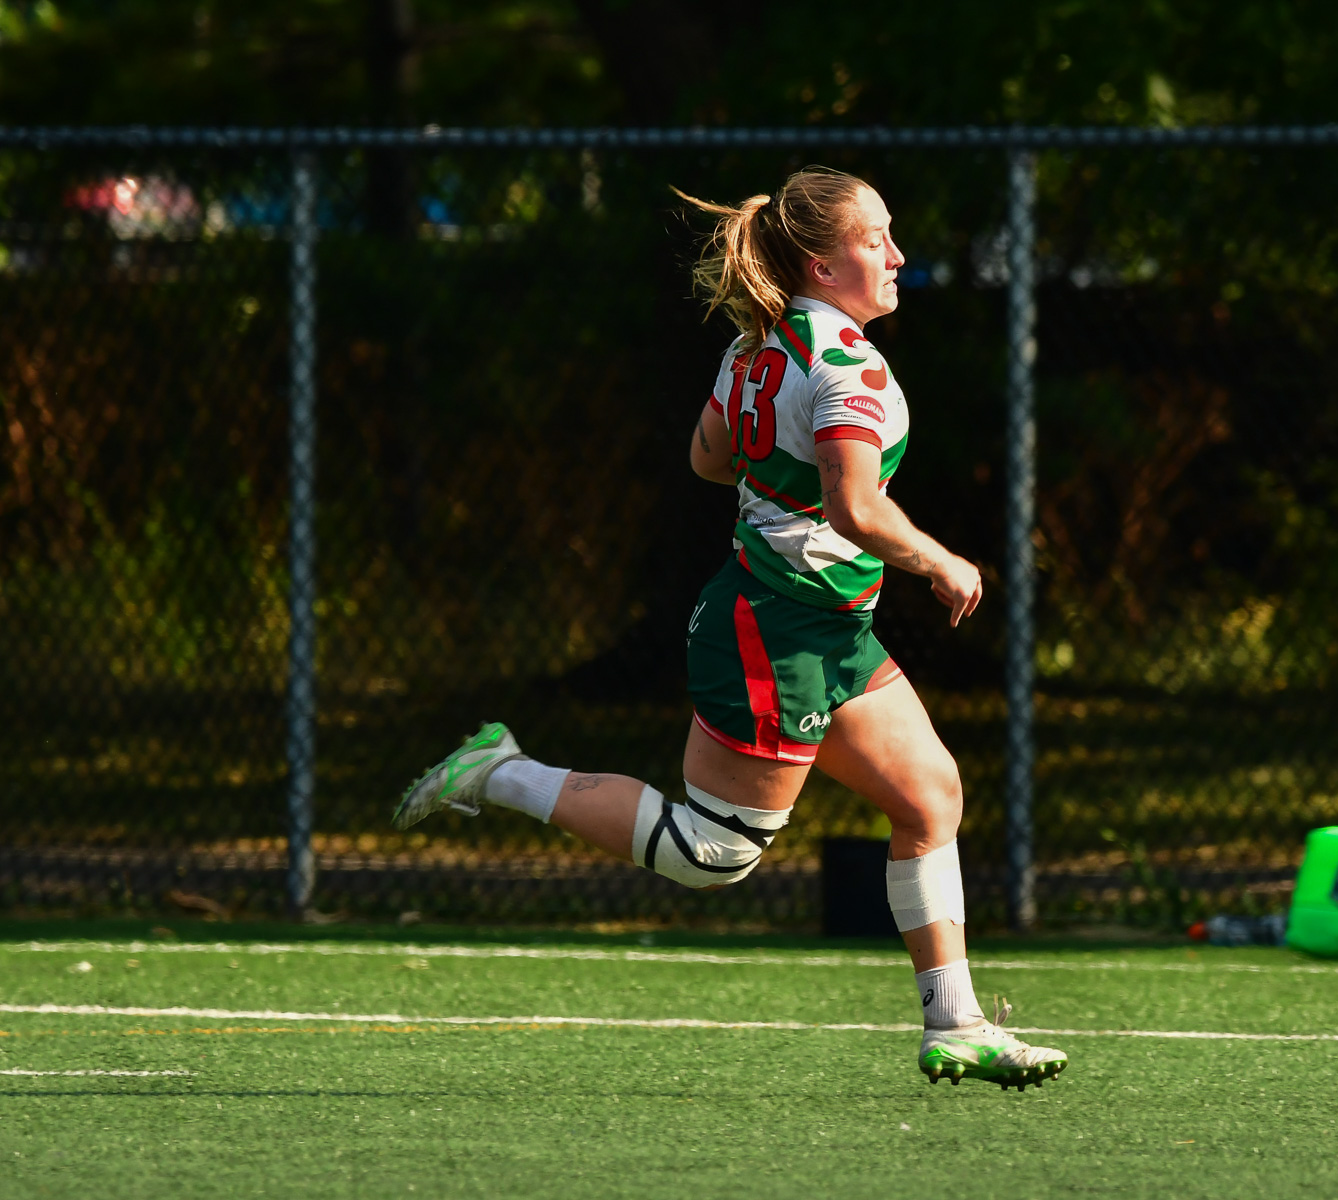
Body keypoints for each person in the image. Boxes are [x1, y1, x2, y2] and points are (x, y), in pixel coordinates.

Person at [393, 167, 1067, 1091]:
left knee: (928, 796)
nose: (897, 254)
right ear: (823, 266)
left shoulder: (759, 346)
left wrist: (784, 480)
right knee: (710, 855)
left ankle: (955, 1025)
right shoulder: (846, 366)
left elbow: (709, 458)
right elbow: (856, 506)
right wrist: (940, 560)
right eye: (876, 239)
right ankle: (500, 771)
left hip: (821, 624)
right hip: (774, 633)